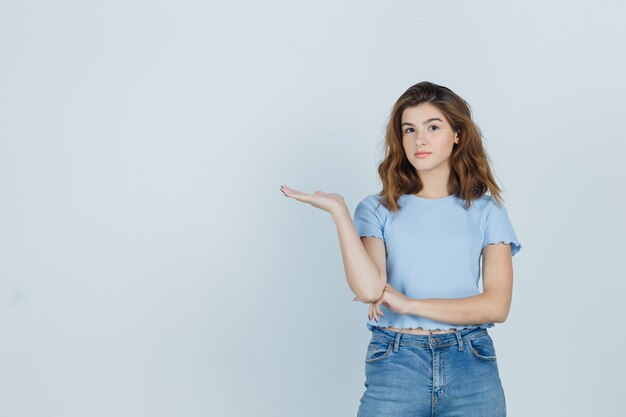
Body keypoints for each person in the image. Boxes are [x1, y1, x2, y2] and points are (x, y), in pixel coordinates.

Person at [279, 81, 521, 417]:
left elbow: (496, 306)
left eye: (432, 127)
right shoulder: (377, 209)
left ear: (457, 136)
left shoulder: (486, 210)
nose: (419, 139)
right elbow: (369, 289)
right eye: (409, 129)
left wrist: (410, 304)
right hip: (396, 361)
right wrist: (340, 212)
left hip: (471, 364)